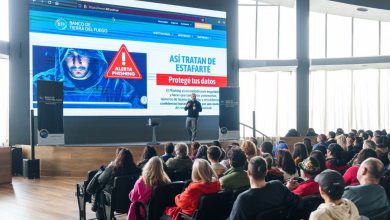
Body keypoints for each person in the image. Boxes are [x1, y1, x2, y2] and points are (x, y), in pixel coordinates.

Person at [33, 48, 144, 106]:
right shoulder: (43, 82)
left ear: (92, 57)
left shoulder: (117, 86)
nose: (77, 63)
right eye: (70, 56)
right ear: (62, 57)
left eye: (82, 55)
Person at [228, 156, 301, 220]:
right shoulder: (278, 185)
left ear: (248, 173)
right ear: (266, 172)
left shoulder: (243, 200)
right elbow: (297, 202)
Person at [88, 148, 141, 219]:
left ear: (118, 158)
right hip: (129, 200)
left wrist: (108, 167)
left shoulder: (113, 169)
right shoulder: (137, 170)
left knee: (100, 194)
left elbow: (100, 179)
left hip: (113, 202)